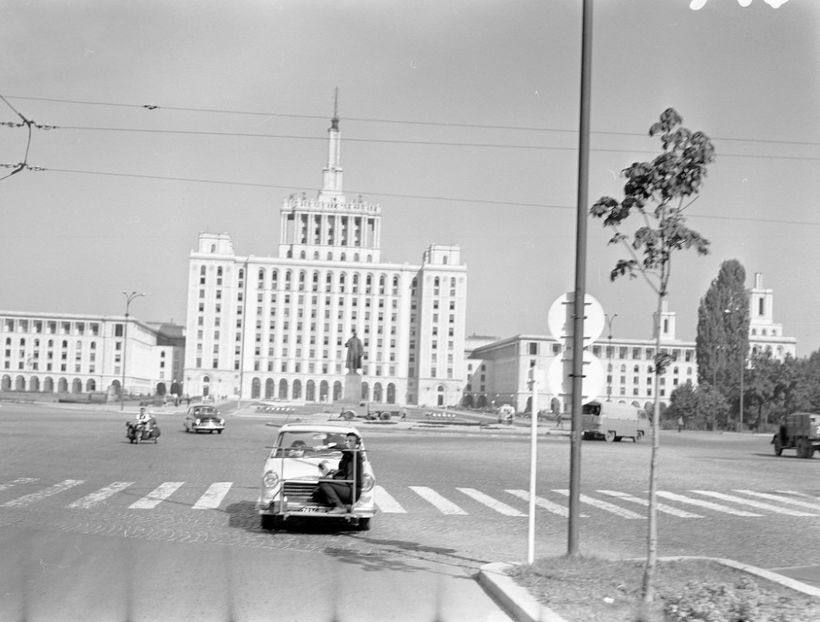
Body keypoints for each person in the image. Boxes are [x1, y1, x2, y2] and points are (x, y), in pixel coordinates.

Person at [317, 433, 363, 514]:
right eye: (346, 440)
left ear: (356, 445)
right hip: (346, 487)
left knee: (323, 482)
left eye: (350, 441)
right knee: (318, 491)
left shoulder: (356, 453)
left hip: (352, 489)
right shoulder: (346, 456)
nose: (347, 442)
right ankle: (346, 506)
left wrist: (327, 447)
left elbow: (342, 447)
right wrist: (332, 473)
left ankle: (340, 507)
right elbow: (344, 472)